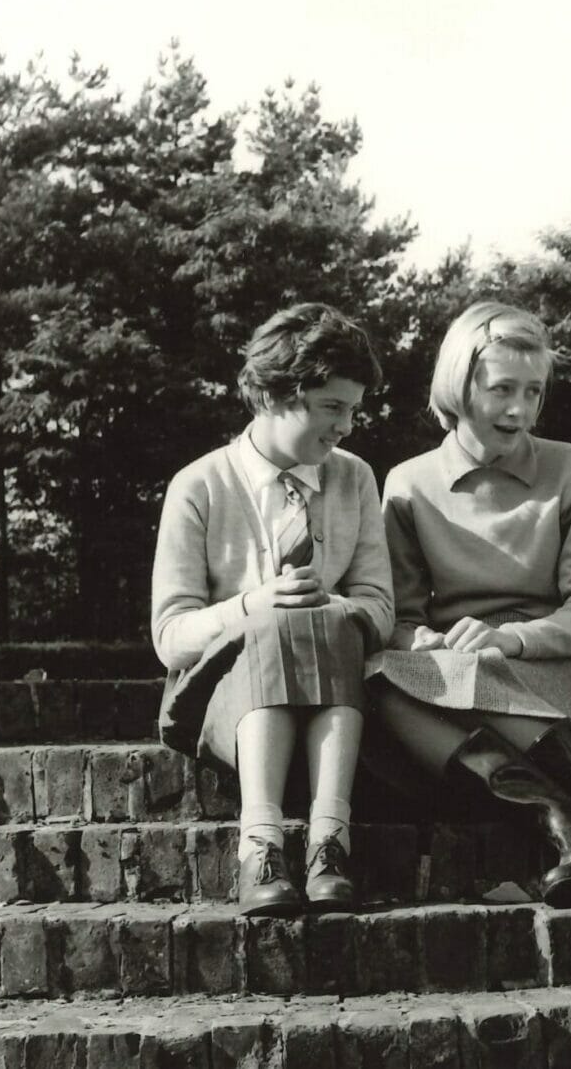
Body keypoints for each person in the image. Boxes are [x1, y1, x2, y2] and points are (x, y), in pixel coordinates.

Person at [366, 301, 571, 907]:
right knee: (378, 679)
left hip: (551, 667)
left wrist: (508, 640)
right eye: (502, 390)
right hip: (454, 675)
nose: (520, 409)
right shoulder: (408, 483)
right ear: (459, 387)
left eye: (534, 392)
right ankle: (567, 823)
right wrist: (426, 643)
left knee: (464, 679)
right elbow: (400, 621)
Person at [150, 303, 392, 916]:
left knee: (330, 617)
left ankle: (328, 844)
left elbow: (379, 606)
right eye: (332, 407)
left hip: (329, 685)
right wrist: (254, 607)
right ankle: (260, 845)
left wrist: (327, 611)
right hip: (222, 697)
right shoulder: (198, 485)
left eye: (353, 409)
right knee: (270, 622)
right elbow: (171, 636)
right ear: (274, 395)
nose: (346, 427)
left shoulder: (355, 479)